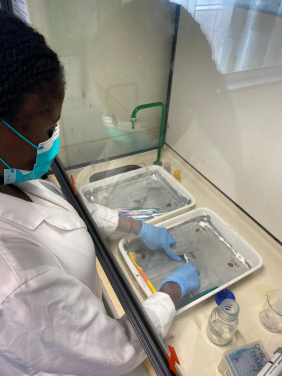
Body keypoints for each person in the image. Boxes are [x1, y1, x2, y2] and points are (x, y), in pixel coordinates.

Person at [0, 11, 200, 376]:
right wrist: (171, 290)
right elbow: (117, 349)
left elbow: (57, 210)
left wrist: (135, 228)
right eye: (45, 129)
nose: (51, 143)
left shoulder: (10, 171)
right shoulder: (12, 280)